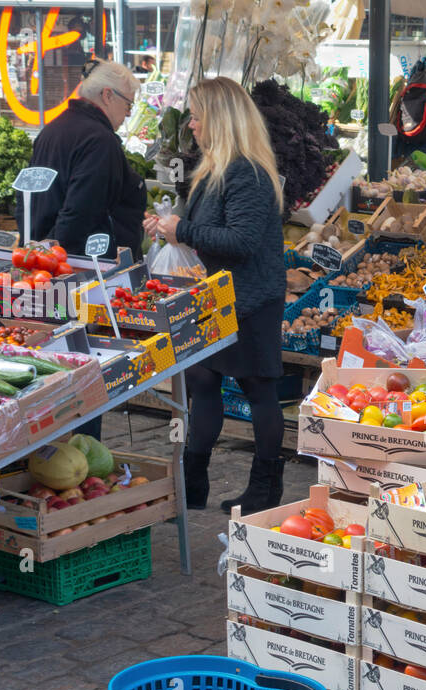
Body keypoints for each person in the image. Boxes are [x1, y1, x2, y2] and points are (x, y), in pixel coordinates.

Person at [143, 77, 286, 513]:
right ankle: (192, 483)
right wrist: (170, 230)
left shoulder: (248, 173)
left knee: (259, 390)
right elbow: (210, 233)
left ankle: (265, 488)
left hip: (251, 299)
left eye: (198, 116)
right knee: (201, 382)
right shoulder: (214, 169)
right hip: (216, 297)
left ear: (220, 121)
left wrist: (180, 229)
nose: (192, 125)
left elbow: (240, 240)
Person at [18, 60, 146, 260]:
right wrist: (52, 254)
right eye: (128, 104)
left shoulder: (52, 129)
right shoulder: (100, 141)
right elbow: (82, 211)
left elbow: (28, 197)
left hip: (45, 253)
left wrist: (37, 250)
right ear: (107, 95)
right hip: (79, 262)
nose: (129, 113)